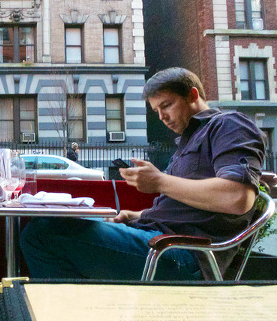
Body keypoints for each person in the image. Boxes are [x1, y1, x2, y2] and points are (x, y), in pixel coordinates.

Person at [20, 67, 265, 281]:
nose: (162, 117)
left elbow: (238, 197)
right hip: (157, 238)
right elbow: (184, 210)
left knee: (41, 233)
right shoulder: (185, 143)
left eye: (166, 105)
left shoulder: (230, 125)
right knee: (57, 224)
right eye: (157, 110)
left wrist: (159, 181)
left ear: (192, 95)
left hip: (184, 255)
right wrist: (134, 214)